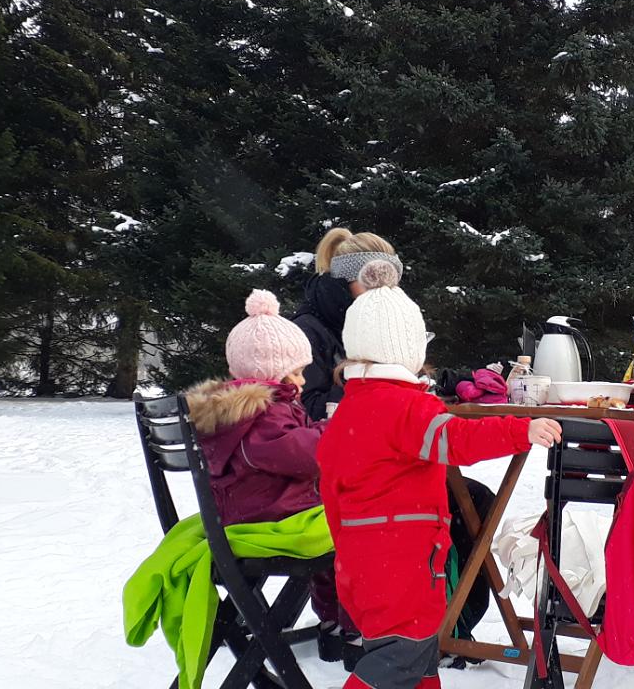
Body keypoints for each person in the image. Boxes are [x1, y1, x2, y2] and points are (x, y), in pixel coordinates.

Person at [318, 260, 563, 689]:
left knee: (419, 656)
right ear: (408, 348)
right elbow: (456, 439)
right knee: (400, 659)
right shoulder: (404, 407)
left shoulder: (353, 407)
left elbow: (332, 488)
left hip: (366, 560)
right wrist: (520, 429)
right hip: (399, 564)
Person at [182, 289, 351, 660]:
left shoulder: (245, 409)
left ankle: (334, 621)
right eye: (296, 373)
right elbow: (304, 456)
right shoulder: (262, 413)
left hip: (254, 507)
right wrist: (332, 430)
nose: (303, 382)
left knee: (337, 519)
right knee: (353, 529)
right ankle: (344, 623)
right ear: (272, 373)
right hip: (270, 515)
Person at [294, 228, 400, 422]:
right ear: (345, 280)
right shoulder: (307, 331)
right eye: (373, 279)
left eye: (391, 281)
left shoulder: (374, 321)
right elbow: (305, 410)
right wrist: (370, 383)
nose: (382, 289)